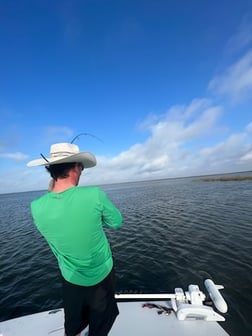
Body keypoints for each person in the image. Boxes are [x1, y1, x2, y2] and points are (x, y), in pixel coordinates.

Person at [27, 142, 123, 336]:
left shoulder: (36, 206)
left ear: (51, 170)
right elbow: (116, 222)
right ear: (75, 168)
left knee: (74, 322)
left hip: (70, 277)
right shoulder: (94, 194)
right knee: (101, 320)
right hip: (102, 274)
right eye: (81, 167)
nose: (82, 171)